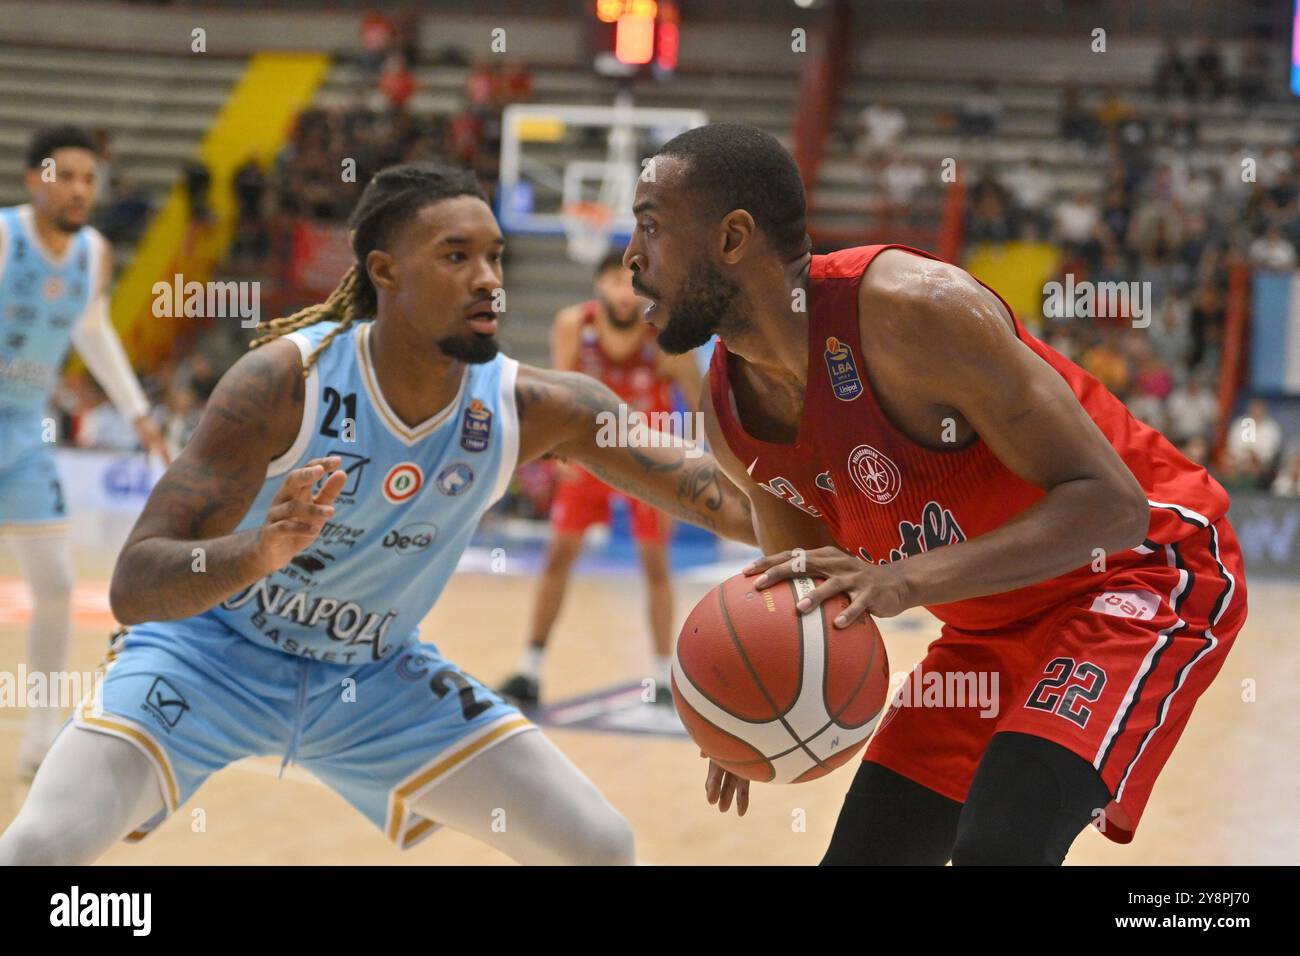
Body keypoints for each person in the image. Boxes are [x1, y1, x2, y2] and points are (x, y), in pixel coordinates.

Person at [0, 162, 754, 866]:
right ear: (384, 271)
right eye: (456, 257)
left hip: (375, 677)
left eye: (495, 257)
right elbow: (135, 582)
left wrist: (856, 542)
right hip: (206, 659)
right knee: (36, 849)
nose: (489, 280)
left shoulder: (538, 408)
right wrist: (257, 552)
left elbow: (724, 498)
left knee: (602, 846)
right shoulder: (282, 382)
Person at [624, 123, 1247, 865]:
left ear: (732, 239)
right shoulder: (729, 416)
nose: (632, 258)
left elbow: (1113, 508)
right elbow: (804, 605)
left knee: (1001, 846)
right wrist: (745, 707)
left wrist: (904, 579)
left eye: (651, 227)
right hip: (984, 632)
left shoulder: (910, 310)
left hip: (1143, 572)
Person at [0, 126, 168, 778]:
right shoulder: (6, 237)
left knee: (58, 584)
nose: (75, 188)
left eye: (87, 178)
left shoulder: (93, 252)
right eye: (62, 174)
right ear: (32, 180)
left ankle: (41, 731)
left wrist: (138, 414)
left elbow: (93, 333)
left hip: (24, 431)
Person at [498, 253, 702, 707]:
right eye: (613, 280)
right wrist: (556, 452)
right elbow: (560, 392)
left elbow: (700, 403)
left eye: (631, 282)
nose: (623, 290)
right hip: (589, 456)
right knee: (558, 556)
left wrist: (689, 458)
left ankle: (661, 675)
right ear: (598, 285)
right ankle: (529, 669)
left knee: (654, 564)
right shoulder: (574, 324)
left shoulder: (666, 336)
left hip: (648, 461)